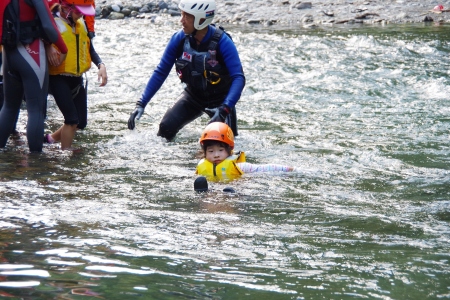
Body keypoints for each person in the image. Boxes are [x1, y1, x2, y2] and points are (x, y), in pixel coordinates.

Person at [127, 0, 245, 141]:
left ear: (201, 20)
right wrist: (141, 104)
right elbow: (161, 72)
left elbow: (239, 78)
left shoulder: (223, 42)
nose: (181, 21)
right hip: (193, 96)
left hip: (221, 101)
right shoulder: (179, 39)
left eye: (187, 17)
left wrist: (224, 109)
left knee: (221, 143)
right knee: (165, 129)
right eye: (182, 15)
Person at [0, 0, 68, 152]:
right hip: (31, 52)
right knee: (36, 109)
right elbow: (48, 27)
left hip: (8, 53)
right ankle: (36, 162)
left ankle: (2, 156)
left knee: (9, 106)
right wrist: (63, 48)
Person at [44, 0, 107, 150]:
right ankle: (66, 155)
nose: (82, 15)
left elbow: (90, 49)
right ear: (66, 8)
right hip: (57, 78)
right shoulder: (52, 22)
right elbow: (40, 40)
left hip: (77, 79)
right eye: (79, 11)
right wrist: (47, 47)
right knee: (71, 120)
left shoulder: (81, 23)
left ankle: (50, 139)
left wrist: (101, 65)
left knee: (81, 123)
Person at [196, 122, 295, 182]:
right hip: (213, 192)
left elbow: (263, 168)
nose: (216, 155)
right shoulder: (202, 167)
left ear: (229, 150)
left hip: (235, 190)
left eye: (221, 150)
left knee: (234, 189)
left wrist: (286, 169)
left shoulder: (240, 166)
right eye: (211, 151)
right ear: (205, 152)